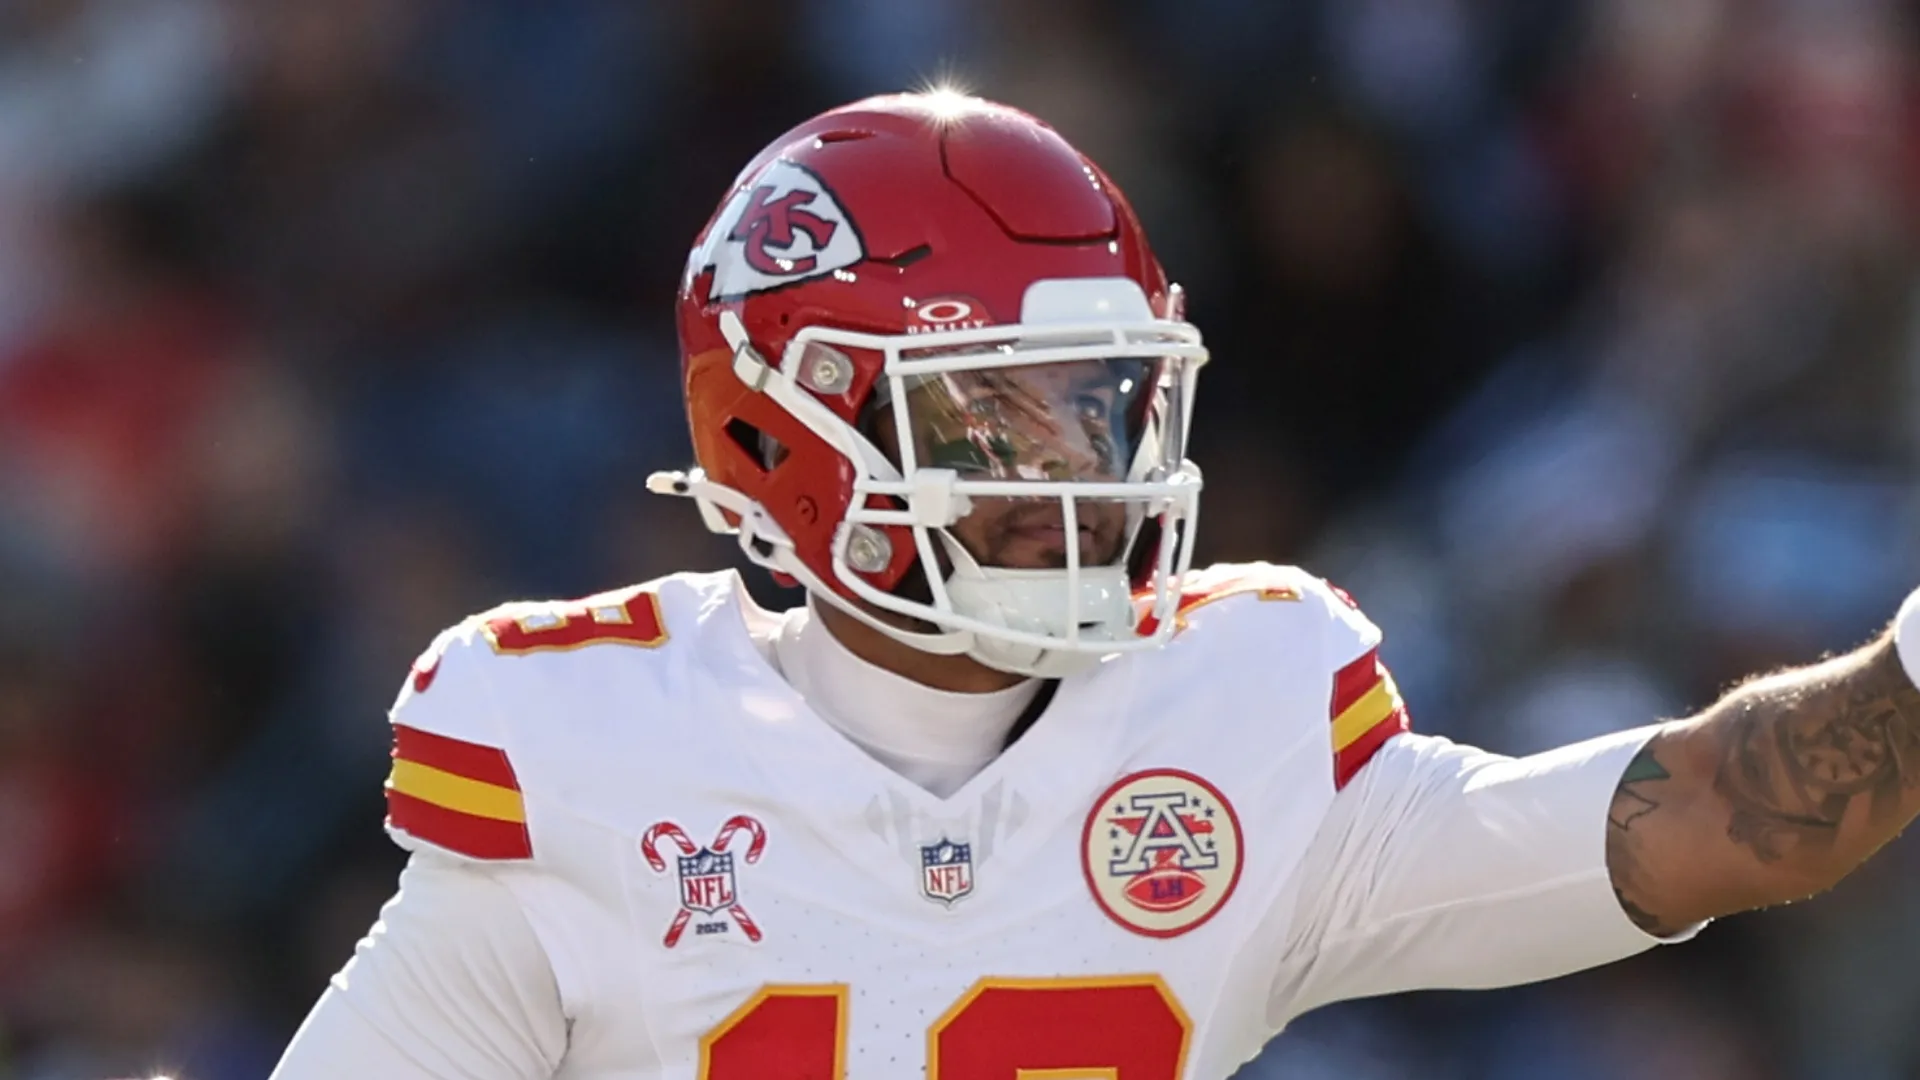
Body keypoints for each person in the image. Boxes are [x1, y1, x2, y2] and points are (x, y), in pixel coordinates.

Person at [269, 91, 1920, 1079]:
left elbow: (1731, 812)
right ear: (791, 428)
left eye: (1099, 403)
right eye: (994, 411)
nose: (1079, 470)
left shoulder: (1240, 724)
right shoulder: (593, 768)